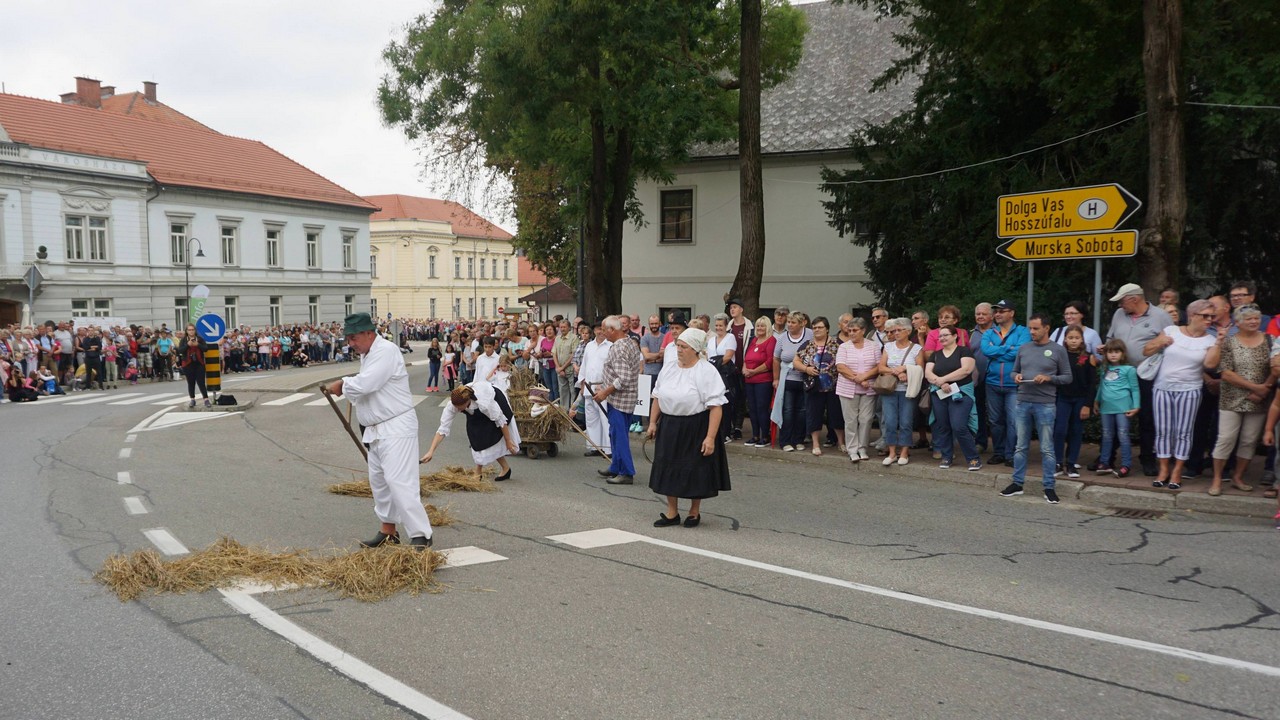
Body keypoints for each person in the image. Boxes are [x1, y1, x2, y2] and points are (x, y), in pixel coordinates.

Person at [326, 312, 434, 550]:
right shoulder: (369, 354)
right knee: (380, 483)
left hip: (396, 426)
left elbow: (367, 383)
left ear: (368, 333)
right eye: (348, 339)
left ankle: (421, 534)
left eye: (353, 338)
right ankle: (388, 531)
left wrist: (343, 384)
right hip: (376, 429)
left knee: (399, 481)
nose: (350, 344)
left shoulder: (385, 350)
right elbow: (367, 384)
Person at [647, 327, 731, 528]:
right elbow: (657, 397)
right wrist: (652, 423)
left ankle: (694, 512)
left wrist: (710, 437)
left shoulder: (706, 371)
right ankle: (672, 512)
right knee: (668, 466)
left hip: (696, 426)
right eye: (678, 345)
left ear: (695, 349)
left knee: (695, 469)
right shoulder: (669, 368)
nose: (679, 349)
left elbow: (716, 407)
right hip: (669, 424)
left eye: (684, 346)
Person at [999, 314, 1072, 503]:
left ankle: (1048, 487)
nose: (1031, 332)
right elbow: (1014, 370)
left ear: (1047, 328)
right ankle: (1017, 483)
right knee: (1020, 446)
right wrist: (1016, 377)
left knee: (1047, 448)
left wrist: (1049, 378)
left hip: (1046, 403)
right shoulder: (1024, 348)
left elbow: (1067, 377)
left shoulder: (1058, 350)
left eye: (1035, 328)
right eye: (1030, 328)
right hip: (1023, 400)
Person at [1144, 299, 1216, 489]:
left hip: (1190, 390)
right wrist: (1160, 342)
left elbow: (1210, 365)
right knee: (1163, 431)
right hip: (1163, 387)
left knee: (1183, 432)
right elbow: (1146, 350)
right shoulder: (1171, 331)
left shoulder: (1211, 340)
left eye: (1212, 316)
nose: (1209, 319)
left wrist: (1220, 343)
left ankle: (1177, 471)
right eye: (1205, 316)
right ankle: (1163, 469)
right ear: (1192, 315)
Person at [1203, 304, 1274, 496]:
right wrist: (1255, 388)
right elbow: (1225, 373)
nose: (1253, 322)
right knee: (1226, 438)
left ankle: (1238, 477)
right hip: (1231, 398)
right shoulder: (1228, 342)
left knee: (1249, 440)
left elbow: (1275, 368)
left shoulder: (1269, 339)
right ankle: (1217, 479)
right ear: (1238, 322)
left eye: (1256, 318)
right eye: (1248, 319)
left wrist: (1263, 389)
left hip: (1259, 399)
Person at [1104, 283, 1174, 476]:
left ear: (1134, 299)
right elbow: (1111, 338)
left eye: (1122, 301)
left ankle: (1147, 459)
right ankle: (1107, 458)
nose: (1119, 306)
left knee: (1146, 417)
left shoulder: (1161, 317)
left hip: (1147, 375)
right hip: (1120, 374)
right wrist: (1106, 348)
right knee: (1115, 413)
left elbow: (1173, 344)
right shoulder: (1119, 315)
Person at [421, 381, 520, 483]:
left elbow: (501, 420)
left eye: (459, 408)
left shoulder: (484, 403)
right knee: (476, 437)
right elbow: (443, 429)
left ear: (467, 402)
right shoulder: (454, 404)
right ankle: (504, 469)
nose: (457, 410)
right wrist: (431, 451)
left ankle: (479, 471)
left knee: (490, 437)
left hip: (496, 401)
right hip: (477, 410)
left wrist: (508, 441)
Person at [594, 316, 644, 484]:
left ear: (612, 330)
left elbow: (623, 378)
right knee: (614, 433)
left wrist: (605, 392)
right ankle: (616, 466)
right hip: (626, 398)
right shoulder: (630, 342)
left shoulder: (618, 348)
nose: (602, 332)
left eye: (603, 329)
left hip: (619, 399)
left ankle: (626, 472)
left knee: (619, 435)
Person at [925, 325, 982, 471]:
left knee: (959, 426)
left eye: (946, 335)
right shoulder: (935, 354)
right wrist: (941, 382)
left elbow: (966, 370)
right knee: (942, 426)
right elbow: (928, 373)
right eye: (940, 336)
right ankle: (946, 456)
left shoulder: (964, 351)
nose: (942, 338)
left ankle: (973, 458)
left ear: (955, 336)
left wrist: (943, 379)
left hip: (961, 393)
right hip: (940, 393)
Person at [981, 299, 1030, 466]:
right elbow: (986, 350)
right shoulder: (989, 333)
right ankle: (999, 452)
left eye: (1002, 311)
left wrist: (997, 351)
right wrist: (1009, 349)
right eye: (996, 311)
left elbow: (1021, 351)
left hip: (1013, 385)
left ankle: (1011, 454)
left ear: (1012, 313)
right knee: (995, 421)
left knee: (1013, 421)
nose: (998, 314)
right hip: (992, 383)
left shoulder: (1023, 331)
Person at [876, 318, 924, 466]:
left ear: (908, 331)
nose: (895, 333)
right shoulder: (888, 347)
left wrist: (905, 369)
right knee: (889, 422)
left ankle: (904, 452)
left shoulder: (916, 349)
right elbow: (881, 368)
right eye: (893, 331)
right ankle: (891, 452)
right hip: (889, 389)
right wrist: (896, 371)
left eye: (899, 330)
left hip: (907, 390)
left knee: (906, 422)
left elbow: (920, 369)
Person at [1052, 326, 1097, 479]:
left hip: (1080, 399)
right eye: (1070, 338)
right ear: (1065, 339)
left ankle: (1071, 463)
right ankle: (1057, 461)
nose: (1073, 341)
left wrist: (1088, 404)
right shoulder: (1060, 355)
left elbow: (1092, 383)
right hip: (1063, 398)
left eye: (1077, 338)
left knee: (1076, 431)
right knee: (1059, 430)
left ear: (1082, 340)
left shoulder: (1088, 357)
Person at [795, 316, 843, 456]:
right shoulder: (807, 344)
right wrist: (806, 369)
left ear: (827, 329)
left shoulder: (837, 344)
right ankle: (816, 443)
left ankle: (841, 442)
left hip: (834, 386)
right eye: (814, 327)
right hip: (814, 387)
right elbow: (795, 361)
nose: (817, 330)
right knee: (814, 415)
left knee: (836, 415)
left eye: (820, 327)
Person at [1094, 339, 1141, 477]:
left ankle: (1126, 465)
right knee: (1107, 435)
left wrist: (1136, 406)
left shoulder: (1129, 369)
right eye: (1110, 352)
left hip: (1123, 407)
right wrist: (1097, 401)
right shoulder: (1104, 369)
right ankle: (1104, 462)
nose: (1113, 355)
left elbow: (1135, 389)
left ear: (1123, 353)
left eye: (1116, 352)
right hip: (1106, 408)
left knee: (1123, 435)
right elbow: (1102, 386)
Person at [835, 317, 880, 462]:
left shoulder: (873, 346)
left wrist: (865, 377)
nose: (852, 333)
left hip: (869, 388)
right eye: (850, 331)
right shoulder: (844, 347)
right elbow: (840, 367)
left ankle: (862, 448)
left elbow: (879, 366)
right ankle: (852, 449)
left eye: (855, 330)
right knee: (850, 420)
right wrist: (857, 379)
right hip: (847, 388)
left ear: (863, 330)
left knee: (866, 419)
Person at [771, 311, 814, 451]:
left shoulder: (810, 334)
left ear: (802, 323)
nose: (789, 325)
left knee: (802, 411)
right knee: (788, 411)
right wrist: (776, 378)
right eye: (788, 322)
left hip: (805, 380)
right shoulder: (783, 337)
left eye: (793, 322)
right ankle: (785, 441)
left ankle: (799, 439)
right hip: (787, 379)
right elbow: (776, 358)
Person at [578, 322, 613, 457]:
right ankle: (594, 447)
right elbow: (584, 365)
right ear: (594, 331)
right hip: (589, 386)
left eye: (602, 329)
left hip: (603, 387)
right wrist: (582, 383)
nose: (600, 332)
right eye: (598, 329)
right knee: (592, 418)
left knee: (605, 418)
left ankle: (608, 448)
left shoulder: (610, 346)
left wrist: (606, 386)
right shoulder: (589, 346)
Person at [741, 316, 776, 448]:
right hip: (749, 380)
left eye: (763, 326)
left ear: (768, 327)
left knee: (762, 408)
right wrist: (745, 368)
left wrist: (754, 371)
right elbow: (746, 357)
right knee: (752, 408)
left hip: (763, 380)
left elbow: (769, 361)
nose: (760, 328)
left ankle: (764, 436)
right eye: (758, 326)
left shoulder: (771, 341)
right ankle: (755, 435)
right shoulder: (754, 340)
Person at [707, 313, 739, 443]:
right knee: (714, 402)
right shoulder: (711, 340)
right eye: (717, 325)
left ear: (726, 326)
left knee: (725, 403)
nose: (719, 328)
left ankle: (726, 432)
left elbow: (728, 356)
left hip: (725, 374)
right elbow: (709, 356)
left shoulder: (730, 337)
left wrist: (716, 363)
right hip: (713, 374)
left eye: (721, 325)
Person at [969, 302, 995, 453]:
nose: (980, 316)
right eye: (978, 314)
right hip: (976, 379)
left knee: (996, 414)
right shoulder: (971, 333)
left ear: (991, 316)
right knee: (977, 411)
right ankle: (980, 442)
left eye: (983, 314)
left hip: (994, 378)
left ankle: (1000, 447)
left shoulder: (999, 332)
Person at [177, 324, 210, 408]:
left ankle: (206, 399)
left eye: (192, 330)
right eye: (189, 330)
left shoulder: (199, 339)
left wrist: (197, 345)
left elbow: (206, 348)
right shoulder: (184, 340)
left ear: (195, 330)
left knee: (201, 382)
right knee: (191, 382)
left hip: (199, 363)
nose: (191, 331)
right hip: (188, 363)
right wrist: (188, 345)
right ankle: (192, 399)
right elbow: (180, 350)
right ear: (186, 331)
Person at [553, 319, 580, 412]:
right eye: (561, 327)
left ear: (569, 327)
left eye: (564, 327)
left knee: (573, 391)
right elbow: (554, 353)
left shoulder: (574, 338)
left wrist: (562, 368)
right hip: (559, 370)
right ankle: (564, 411)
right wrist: (558, 368)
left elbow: (573, 355)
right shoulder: (557, 338)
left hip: (570, 369)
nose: (562, 329)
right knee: (563, 391)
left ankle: (572, 412)